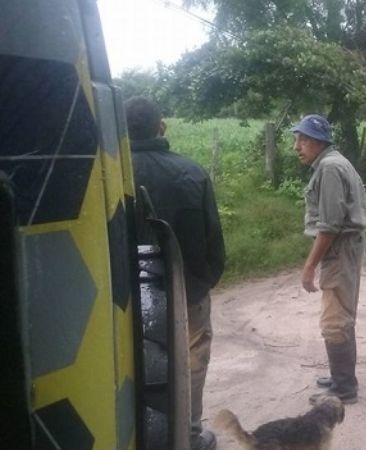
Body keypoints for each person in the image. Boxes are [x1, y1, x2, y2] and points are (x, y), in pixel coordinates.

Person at [125, 97, 225, 450]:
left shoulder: (109, 177)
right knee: (192, 363)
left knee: (130, 360)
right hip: (187, 292)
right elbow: (214, 242)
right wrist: (202, 284)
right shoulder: (192, 172)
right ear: (161, 126)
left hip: (125, 298)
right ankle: (189, 436)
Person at [292, 114, 366, 405]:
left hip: (340, 248)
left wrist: (309, 267)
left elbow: (330, 226)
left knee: (335, 319)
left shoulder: (330, 167)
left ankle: (344, 389)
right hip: (345, 246)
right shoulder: (333, 162)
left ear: (319, 142)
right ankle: (340, 378)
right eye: (297, 139)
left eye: (304, 140)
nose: (297, 146)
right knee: (340, 314)